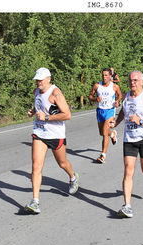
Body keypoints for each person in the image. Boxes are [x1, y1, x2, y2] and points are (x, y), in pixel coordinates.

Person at [25, 68, 80, 214]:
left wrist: (47, 117)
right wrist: (32, 112)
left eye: (41, 80)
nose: (38, 82)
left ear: (48, 79)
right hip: (39, 132)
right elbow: (39, 106)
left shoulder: (56, 94)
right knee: (36, 166)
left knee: (62, 163)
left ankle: (73, 177)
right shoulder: (36, 91)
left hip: (56, 135)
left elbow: (67, 115)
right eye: (37, 80)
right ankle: (35, 201)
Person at [112, 70, 143, 218]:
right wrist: (116, 122)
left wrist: (141, 122)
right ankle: (127, 206)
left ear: (141, 82)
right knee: (128, 170)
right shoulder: (127, 95)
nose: (132, 82)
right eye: (130, 80)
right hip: (129, 138)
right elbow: (123, 111)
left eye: (135, 80)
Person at [89, 68, 123, 163]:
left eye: (106, 75)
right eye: (103, 75)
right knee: (101, 133)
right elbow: (90, 96)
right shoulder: (97, 86)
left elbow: (120, 95)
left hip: (110, 111)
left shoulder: (114, 86)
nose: (104, 77)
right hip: (100, 111)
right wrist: (95, 99)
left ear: (110, 76)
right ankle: (112, 133)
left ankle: (103, 155)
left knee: (104, 133)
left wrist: (117, 101)